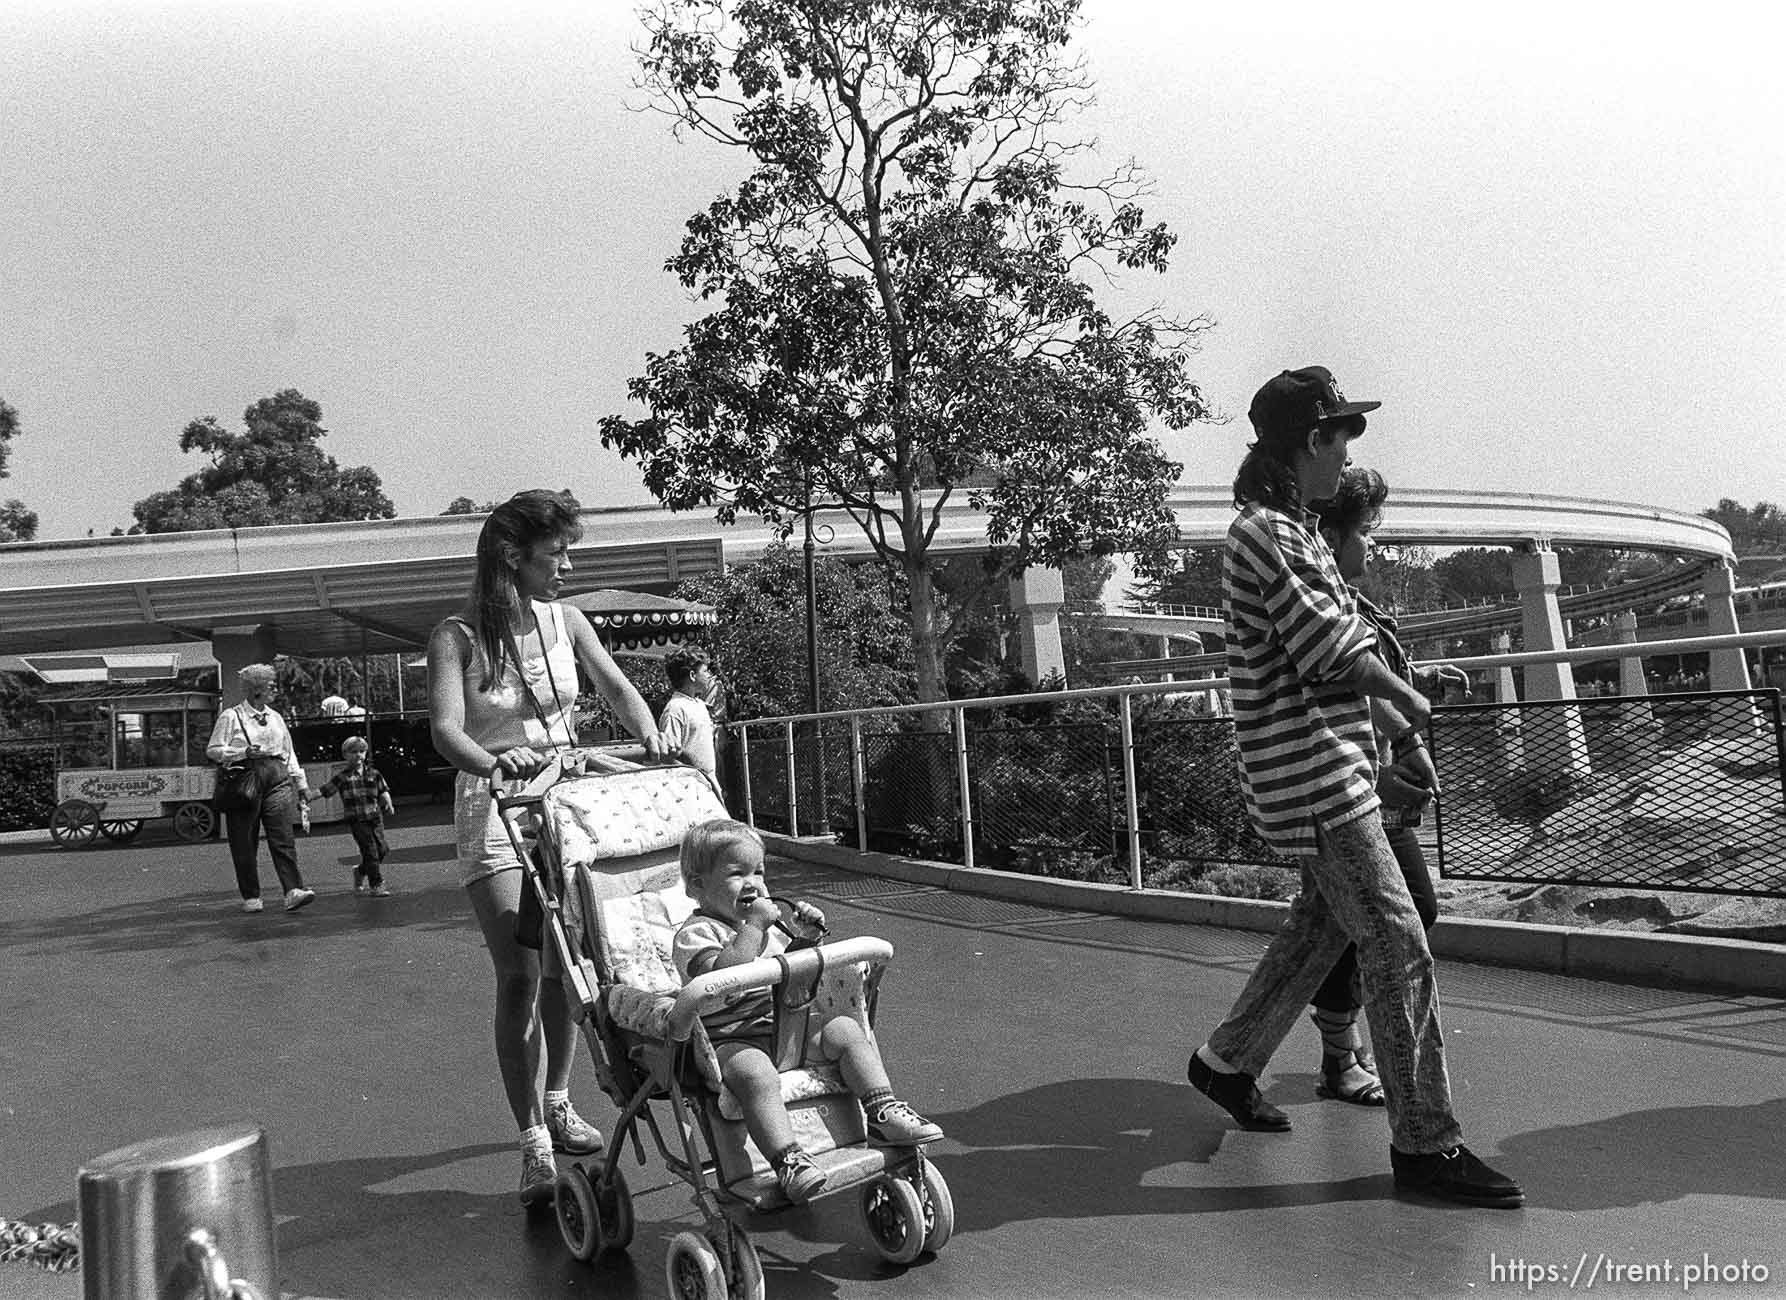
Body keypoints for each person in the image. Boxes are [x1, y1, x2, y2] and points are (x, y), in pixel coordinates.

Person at [1183, 366, 1523, 1208]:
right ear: (1310, 441)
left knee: (1322, 927)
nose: (1346, 457)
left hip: (1331, 766)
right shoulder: (1267, 532)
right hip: (1316, 777)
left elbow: (1343, 646)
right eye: (1340, 436)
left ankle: (1226, 1062)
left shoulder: (1292, 529)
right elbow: (1327, 647)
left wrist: (1412, 687)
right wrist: (1408, 703)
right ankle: (1426, 1144)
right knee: (1398, 936)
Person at [427, 488, 673, 1208]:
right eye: (557, 551)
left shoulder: (566, 620)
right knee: (521, 975)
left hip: (568, 803)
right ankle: (532, 1136)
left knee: (573, 970)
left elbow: (618, 689)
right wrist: (492, 761)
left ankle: (560, 1097)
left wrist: (651, 730)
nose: (568, 562)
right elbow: (447, 729)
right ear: (513, 556)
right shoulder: (457, 636)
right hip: (497, 805)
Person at [1303, 467, 1470, 1106]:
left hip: (1373, 799)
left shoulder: (1352, 610)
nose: (1373, 546)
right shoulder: (1316, 616)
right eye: (1366, 531)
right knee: (1394, 919)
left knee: (1337, 929)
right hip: (1350, 800)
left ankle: (1327, 1054)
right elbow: (1324, 706)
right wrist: (1388, 766)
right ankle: (1347, 1058)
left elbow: (1365, 689)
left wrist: (1418, 687)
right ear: (1331, 534)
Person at [671, 819, 942, 1204]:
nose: (753, 883)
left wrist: (806, 939)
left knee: (846, 1031)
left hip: (785, 1028)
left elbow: (789, 973)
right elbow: (725, 976)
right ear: (697, 885)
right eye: (736, 874)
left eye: (759, 871)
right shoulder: (696, 933)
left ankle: (882, 1112)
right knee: (756, 1073)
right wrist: (754, 928)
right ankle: (788, 1160)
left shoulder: (768, 928)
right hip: (731, 1038)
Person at [206, 663, 315, 914]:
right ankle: (251, 895)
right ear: (256, 690)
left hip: (277, 776)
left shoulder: (276, 717)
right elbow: (213, 750)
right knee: (244, 839)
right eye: (271, 685)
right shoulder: (231, 716)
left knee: (283, 836)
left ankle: (293, 890)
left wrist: (301, 784)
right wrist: (241, 752)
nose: (275, 689)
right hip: (246, 780)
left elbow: (289, 753)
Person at [308, 734, 396, 897]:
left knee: (382, 849)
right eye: (354, 752)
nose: (358, 755)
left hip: (375, 817)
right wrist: (308, 796)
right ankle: (376, 885)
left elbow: (383, 790)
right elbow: (324, 790)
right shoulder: (343, 777)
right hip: (357, 820)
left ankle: (360, 871)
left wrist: (388, 803)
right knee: (370, 851)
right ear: (345, 755)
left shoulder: (374, 774)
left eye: (362, 751)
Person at [658, 647, 719, 790]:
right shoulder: (675, 709)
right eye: (705, 671)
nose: (709, 675)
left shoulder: (699, 705)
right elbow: (669, 757)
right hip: (690, 787)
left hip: (709, 782)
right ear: (692, 675)